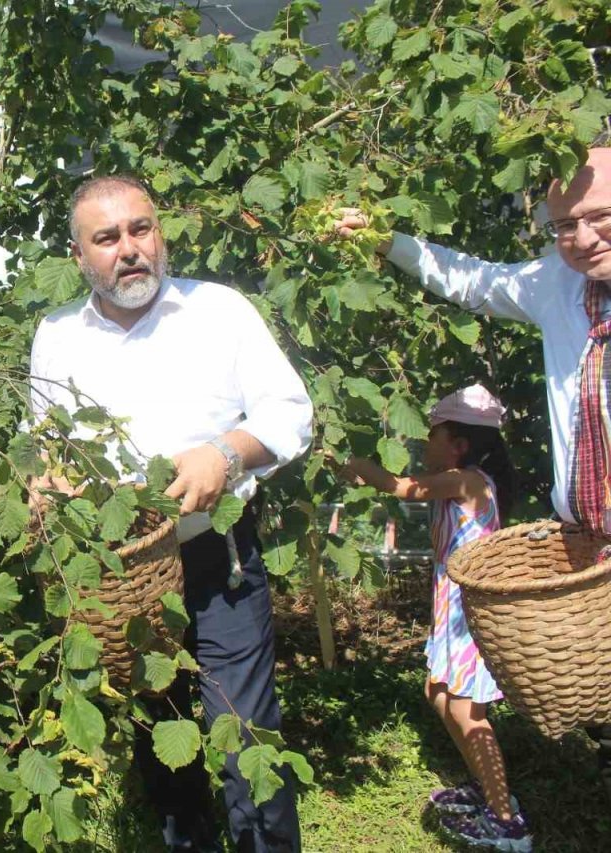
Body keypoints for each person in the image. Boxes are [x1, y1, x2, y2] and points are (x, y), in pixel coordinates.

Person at [30, 176, 312, 852]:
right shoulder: (58, 335)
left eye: (141, 229)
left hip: (219, 561)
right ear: (78, 255)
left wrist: (227, 453)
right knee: (161, 736)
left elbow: (290, 413)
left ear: (159, 233)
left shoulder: (219, 311)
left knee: (247, 735)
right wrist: (46, 485)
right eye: (108, 238)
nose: (130, 249)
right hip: (121, 577)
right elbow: (47, 446)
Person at [335, 140, 611, 800]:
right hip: (591, 543)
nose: (580, 237)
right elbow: (475, 280)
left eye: (600, 216)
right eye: (563, 226)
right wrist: (384, 240)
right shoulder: (559, 285)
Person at [343, 385, 530, 851]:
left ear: (459, 445)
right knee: (439, 693)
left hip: (471, 613)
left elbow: (406, 487)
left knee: (470, 712)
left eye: (432, 436)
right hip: (452, 608)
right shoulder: (466, 479)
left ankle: (508, 822)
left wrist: (360, 467)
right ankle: (485, 787)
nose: (424, 444)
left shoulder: (468, 481)